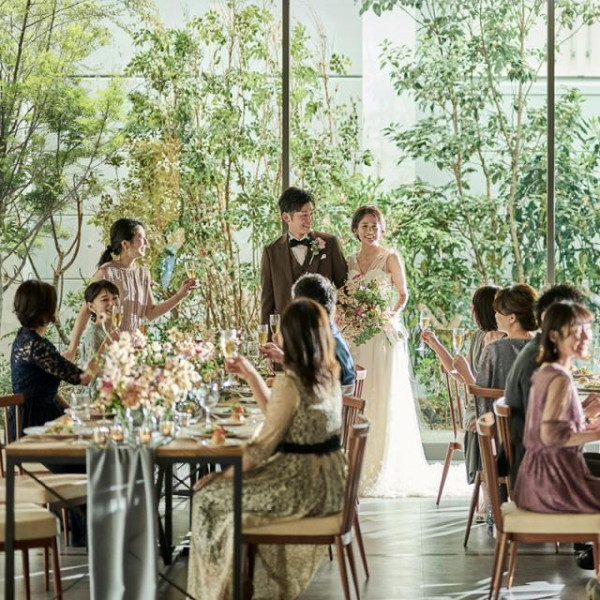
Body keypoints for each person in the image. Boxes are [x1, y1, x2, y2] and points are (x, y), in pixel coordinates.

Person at [187, 299, 346, 599]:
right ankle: (234, 584)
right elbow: (278, 416)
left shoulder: (291, 383)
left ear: (292, 336)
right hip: (328, 483)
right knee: (222, 494)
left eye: (281, 330)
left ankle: (215, 592)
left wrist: (220, 476)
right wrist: (251, 375)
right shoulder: (327, 375)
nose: (276, 335)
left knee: (208, 498)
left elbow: (260, 449)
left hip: (300, 486)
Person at [64, 218, 195, 360]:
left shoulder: (143, 273)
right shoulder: (107, 272)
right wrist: (72, 349)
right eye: (142, 238)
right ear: (125, 244)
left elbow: (149, 313)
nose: (147, 243)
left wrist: (180, 295)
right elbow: (86, 311)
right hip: (107, 348)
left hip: (133, 350)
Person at [513, 301, 600, 514]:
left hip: (537, 478)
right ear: (553, 336)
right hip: (551, 483)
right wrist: (597, 434)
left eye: (587, 329)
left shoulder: (546, 371)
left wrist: (586, 421)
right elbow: (551, 437)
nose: (585, 337)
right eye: (576, 331)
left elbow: (554, 428)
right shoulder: (560, 379)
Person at [454, 283, 538, 486]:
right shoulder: (544, 347)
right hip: (535, 431)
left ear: (512, 318)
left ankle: (491, 493)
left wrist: (465, 372)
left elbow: (480, 392)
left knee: (479, 427)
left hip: (499, 432)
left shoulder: (494, 349)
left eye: (498, 311)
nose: (495, 316)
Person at [503, 283, 588, 483]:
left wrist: (583, 411)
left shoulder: (538, 351)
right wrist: (586, 418)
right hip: (540, 472)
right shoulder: (540, 362)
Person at [10, 280, 97, 434]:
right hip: (35, 423)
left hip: (23, 418)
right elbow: (84, 378)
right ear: (46, 309)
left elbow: (45, 388)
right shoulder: (37, 346)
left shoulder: (23, 336)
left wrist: (71, 412)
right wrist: (109, 342)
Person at [260, 187, 347, 325]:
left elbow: (344, 287)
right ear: (286, 217)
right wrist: (267, 335)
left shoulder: (330, 243)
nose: (310, 219)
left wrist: (340, 320)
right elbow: (267, 299)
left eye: (311, 213)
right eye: (304, 215)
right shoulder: (271, 251)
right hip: (286, 329)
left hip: (322, 327)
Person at [259, 273, 355, 392]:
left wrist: (251, 375)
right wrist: (284, 357)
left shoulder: (324, 345)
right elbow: (312, 375)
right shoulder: (328, 334)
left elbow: (312, 387)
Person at [420, 285, 502, 377]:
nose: (471, 308)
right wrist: (435, 344)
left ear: (483, 309)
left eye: (474, 304)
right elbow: (459, 374)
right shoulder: (478, 335)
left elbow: (485, 383)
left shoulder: (503, 341)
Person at [80, 279, 120, 368]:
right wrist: (107, 344)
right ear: (91, 307)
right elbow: (90, 373)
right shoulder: (94, 334)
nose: (112, 303)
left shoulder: (114, 331)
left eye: (115, 298)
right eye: (104, 300)